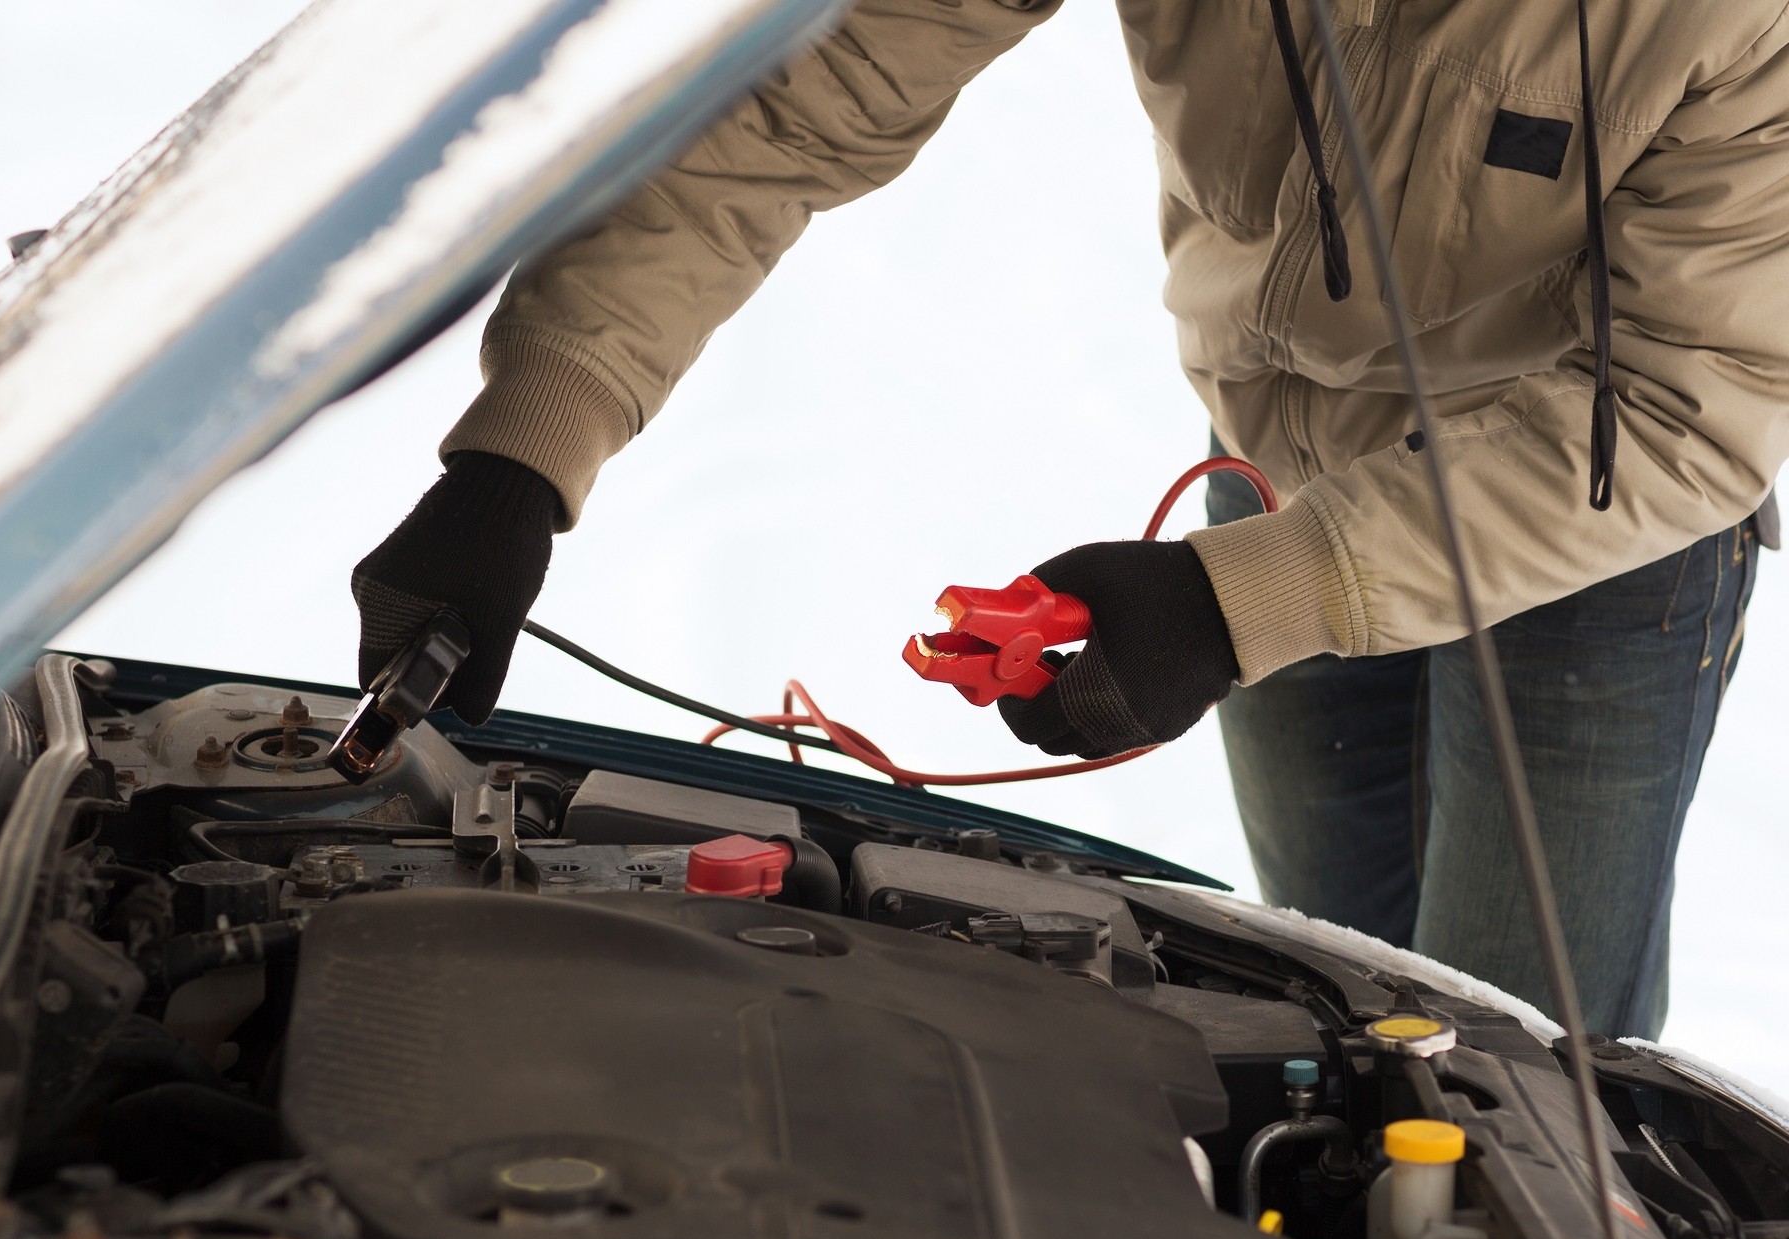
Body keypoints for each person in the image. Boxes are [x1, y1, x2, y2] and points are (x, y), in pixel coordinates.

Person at [350, 1, 1789, 1039]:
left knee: (1511, 1054)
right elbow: (792, 109)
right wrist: (524, 453)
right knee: (1331, 992)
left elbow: (1693, 392)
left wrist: (1238, 604)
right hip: (1272, 469)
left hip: (1594, 546)